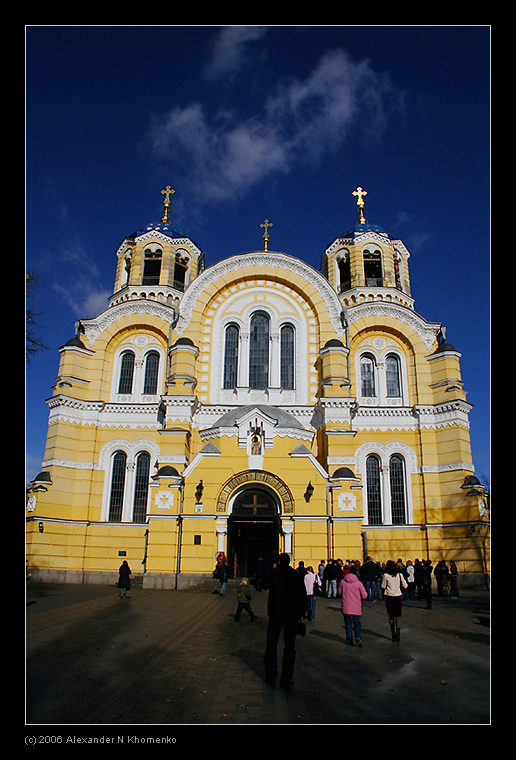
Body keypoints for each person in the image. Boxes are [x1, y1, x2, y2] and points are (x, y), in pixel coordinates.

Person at [262, 553, 307, 689]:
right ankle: (286, 679)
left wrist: (272, 570)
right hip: (291, 616)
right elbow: (302, 596)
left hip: (275, 615)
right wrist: (301, 614)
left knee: (271, 645)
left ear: (279, 562)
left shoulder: (275, 574)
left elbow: (263, 584)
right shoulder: (296, 575)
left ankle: (271, 677)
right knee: (289, 647)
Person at [339, 565, 368, 646]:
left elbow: (339, 592)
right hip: (356, 606)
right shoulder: (359, 583)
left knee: (348, 623)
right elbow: (365, 595)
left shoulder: (342, 581)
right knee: (357, 623)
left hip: (346, 606)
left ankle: (349, 639)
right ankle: (358, 636)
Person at [381, 559, 408, 642]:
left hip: (389, 596)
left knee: (391, 616)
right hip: (398, 596)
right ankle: (398, 632)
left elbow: (383, 586)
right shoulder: (399, 575)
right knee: (398, 615)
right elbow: (405, 585)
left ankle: (393, 633)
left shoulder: (386, 576)